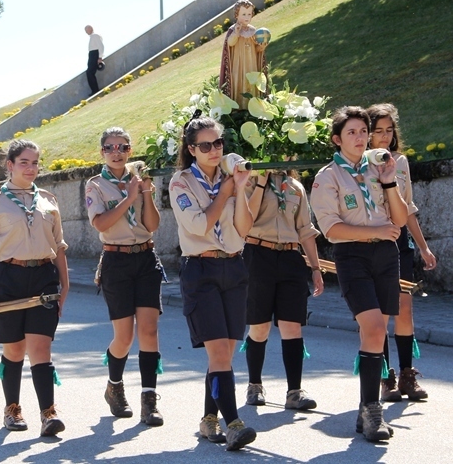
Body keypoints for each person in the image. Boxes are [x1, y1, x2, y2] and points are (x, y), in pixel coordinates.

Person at [310, 106, 408, 442]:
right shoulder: (327, 177)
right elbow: (332, 229)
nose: (360, 137)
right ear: (337, 139)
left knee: (377, 334)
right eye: (351, 132)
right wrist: (375, 232)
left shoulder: (378, 168)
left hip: (386, 256)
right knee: (374, 327)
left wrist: (389, 181)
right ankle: (373, 410)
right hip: (353, 256)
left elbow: (400, 219)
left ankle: (367, 408)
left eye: (364, 131)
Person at [168, 114, 256, 450]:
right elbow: (199, 225)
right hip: (200, 270)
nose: (214, 150)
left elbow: (244, 228)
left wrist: (240, 189)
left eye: (218, 142)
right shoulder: (181, 183)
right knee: (218, 351)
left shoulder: (230, 177)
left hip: (233, 267)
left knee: (225, 355)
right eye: (205, 146)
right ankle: (233, 423)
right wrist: (225, 193)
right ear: (191, 149)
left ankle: (208, 419)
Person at [0, 139, 69, 437]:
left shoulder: (48, 201)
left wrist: (64, 285)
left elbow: (59, 247)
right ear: (10, 165)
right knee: (14, 348)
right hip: (7, 278)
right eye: (24, 162)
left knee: (41, 347)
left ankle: (48, 413)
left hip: (43, 277)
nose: (30, 168)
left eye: (35, 162)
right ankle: (12, 409)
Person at [85, 127, 165, 426]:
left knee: (149, 331)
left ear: (130, 151)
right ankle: (114, 386)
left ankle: (149, 399)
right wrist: (129, 198)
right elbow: (101, 223)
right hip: (116, 261)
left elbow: (152, 225)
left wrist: (145, 192)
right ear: (102, 152)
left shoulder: (138, 179)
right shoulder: (95, 185)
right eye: (110, 147)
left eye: (122, 147)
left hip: (145, 257)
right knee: (125, 336)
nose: (116, 152)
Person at [367, 103, 435, 402]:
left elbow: (407, 209)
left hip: (400, 242)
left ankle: (408, 375)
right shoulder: (359, 164)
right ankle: (386, 378)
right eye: (378, 131)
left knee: (404, 309)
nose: (384, 136)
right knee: (381, 314)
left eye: (389, 130)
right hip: (373, 242)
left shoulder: (401, 162)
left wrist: (423, 247)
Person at [242, 169, 324, 410]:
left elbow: (305, 229)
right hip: (258, 254)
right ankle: (254, 385)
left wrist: (316, 268)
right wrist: (261, 181)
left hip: (290, 257)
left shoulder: (295, 187)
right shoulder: (250, 182)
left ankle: (294, 392)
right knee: (259, 327)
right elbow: (246, 220)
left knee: (292, 326)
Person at [218, 0, 267, 110]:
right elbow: (230, 43)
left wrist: (261, 47)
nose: (247, 17)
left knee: (252, 81)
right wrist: (236, 33)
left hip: (251, 63)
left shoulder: (253, 30)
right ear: (237, 15)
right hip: (238, 64)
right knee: (240, 81)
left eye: (249, 14)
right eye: (243, 14)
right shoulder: (233, 30)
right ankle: (240, 107)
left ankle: (253, 106)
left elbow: (256, 48)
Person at [85, 25, 104, 96]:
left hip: (95, 54)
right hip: (92, 54)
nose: (86, 32)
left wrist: (100, 57)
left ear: (91, 29)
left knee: (90, 72)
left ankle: (95, 90)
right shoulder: (92, 37)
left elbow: (101, 46)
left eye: (87, 30)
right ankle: (94, 89)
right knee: (89, 72)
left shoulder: (95, 36)